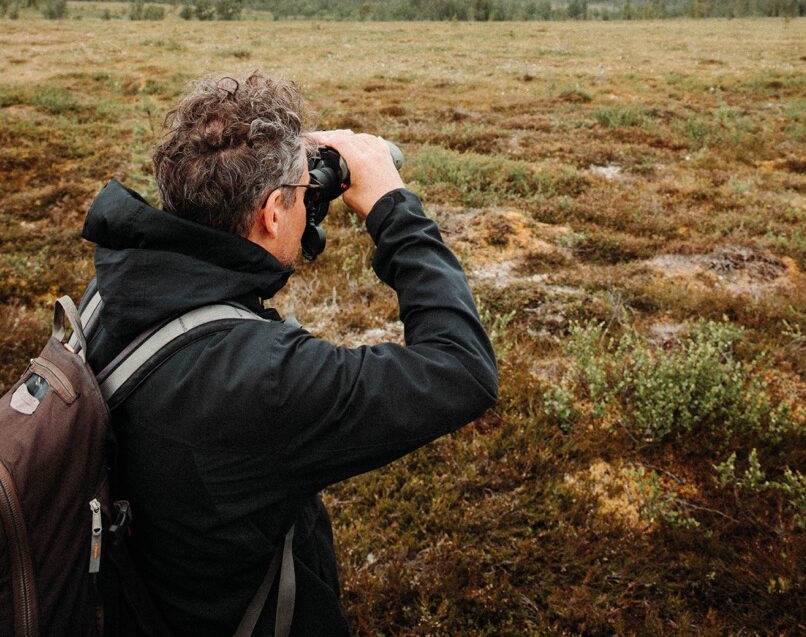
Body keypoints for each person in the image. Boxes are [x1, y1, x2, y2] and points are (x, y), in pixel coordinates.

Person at [80, 71, 498, 636]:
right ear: (274, 213)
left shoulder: (112, 293)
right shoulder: (264, 379)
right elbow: (461, 369)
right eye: (303, 193)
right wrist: (394, 208)